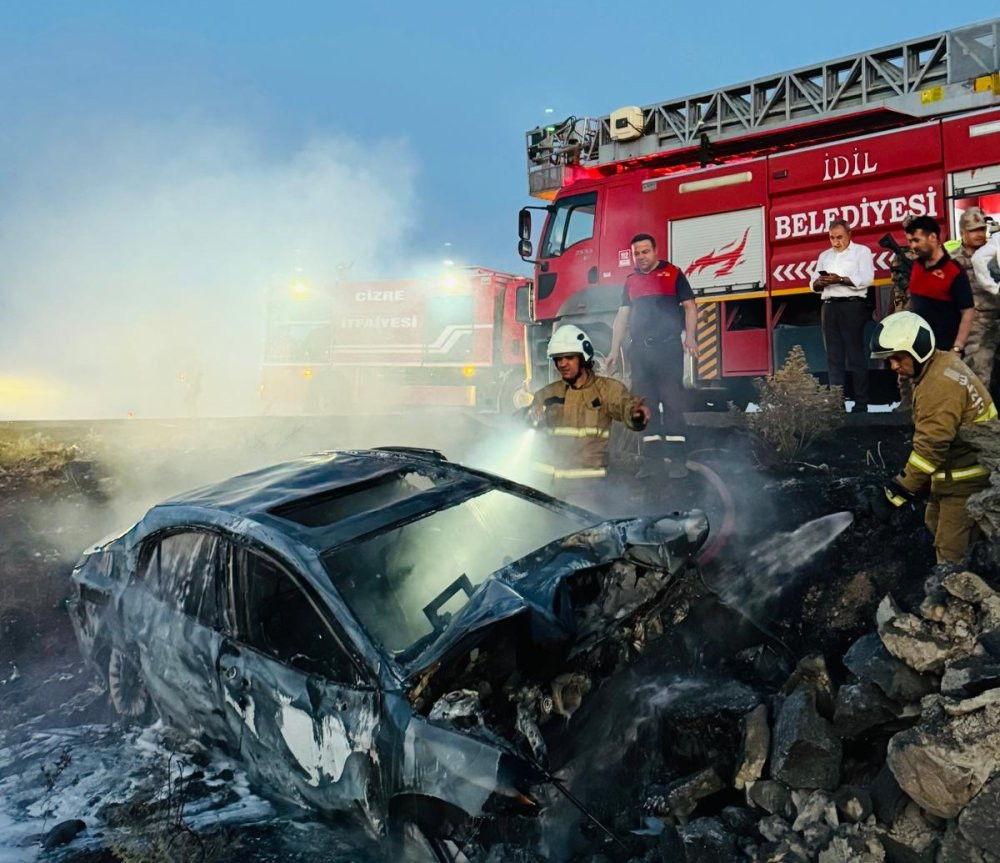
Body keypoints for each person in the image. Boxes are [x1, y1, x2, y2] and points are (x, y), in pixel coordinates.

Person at [867, 311, 996, 565]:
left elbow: (931, 448)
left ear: (918, 350)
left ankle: (960, 597)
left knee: (950, 553)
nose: (893, 366)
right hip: (959, 471)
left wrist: (898, 492)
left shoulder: (939, 385)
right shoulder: (941, 365)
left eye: (897, 358)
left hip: (967, 482)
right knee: (933, 521)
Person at [529, 324, 652, 512]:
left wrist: (636, 415)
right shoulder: (548, 393)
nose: (562, 364)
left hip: (586, 491)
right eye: (558, 359)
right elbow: (521, 421)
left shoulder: (606, 390)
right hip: (547, 491)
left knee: (581, 535)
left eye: (569, 358)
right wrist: (529, 415)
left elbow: (623, 405)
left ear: (584, 358)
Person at [607, 233, 698, 453]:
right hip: (640, 353)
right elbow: (622, 317)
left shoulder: (673, 273)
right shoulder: (631, 281)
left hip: (667, 350)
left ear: (655, 251)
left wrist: (691, 337)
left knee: (672, 403)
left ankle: (677, 461)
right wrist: (612, 350)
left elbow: (690, 306)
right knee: (644, 405)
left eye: (645, 251)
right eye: (636, 253)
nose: (641, 257)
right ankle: (652, 461)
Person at [810, 219, 875, 412]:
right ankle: (836, 402)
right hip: (829, 306)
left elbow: (867, 279)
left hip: (852, 305)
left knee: (855, 354)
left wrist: (841, 280)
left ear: (849, 235)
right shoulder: (825, 256)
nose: (835, 242)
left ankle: (861, 402)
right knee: (833, 356)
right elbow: (812, 283)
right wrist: (821, 282)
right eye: (832, 238)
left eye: (839, 237)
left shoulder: (861, 252)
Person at [904, 216, 974, 353]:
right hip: (917, 348)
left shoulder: (953, 271)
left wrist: (957, 348)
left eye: (916, 240)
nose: (912, 246)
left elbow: (968, 312)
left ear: (932, 237)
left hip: (944, 350)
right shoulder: (916, 266)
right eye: (910, 241)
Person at [949, 207, 1000, 391]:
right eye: (973, 230)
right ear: (962, 232)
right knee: (979, 376)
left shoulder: (995, 253)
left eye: (981, 229)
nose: (979, 234)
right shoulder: (952, 261)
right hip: (976, 325)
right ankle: (981, 420)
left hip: (998, 316)